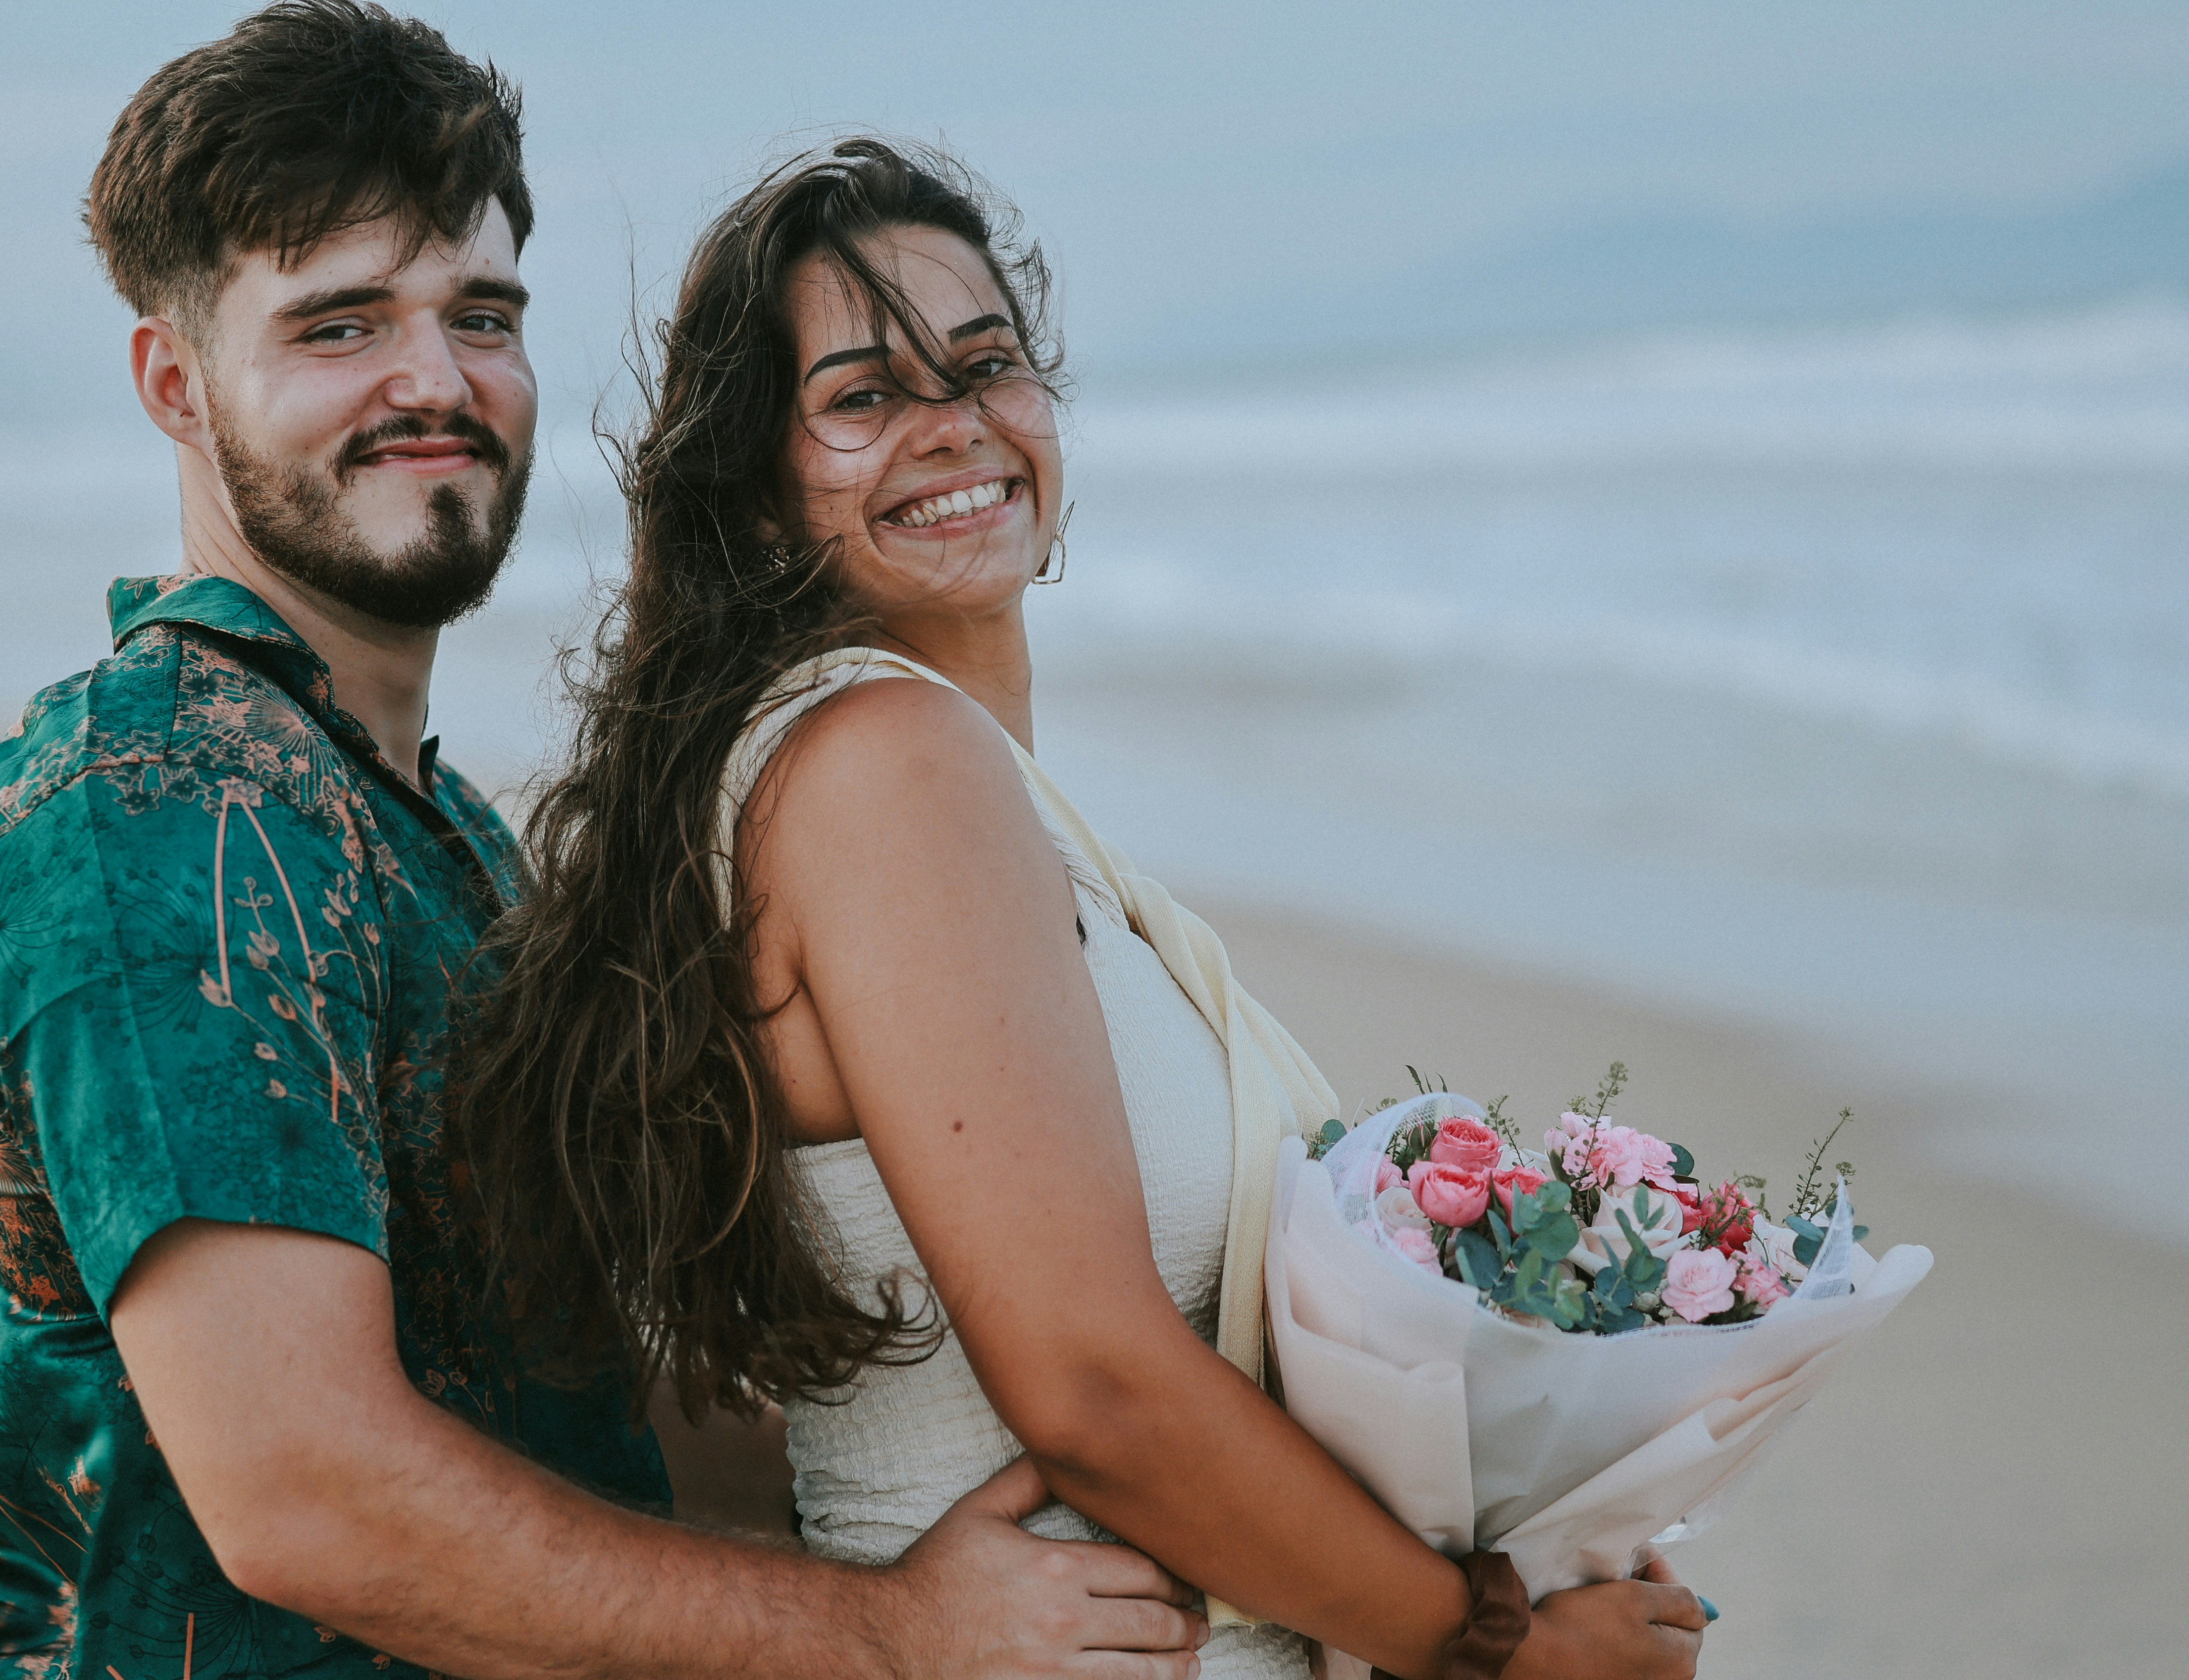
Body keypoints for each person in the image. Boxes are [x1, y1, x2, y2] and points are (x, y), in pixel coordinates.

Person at [0, 9, 1210, 1679]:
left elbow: (567, 1409)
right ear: (176, 379)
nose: (434, 380)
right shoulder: (156, 804)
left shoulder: (434, 835)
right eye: (338, 323)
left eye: (481, 314)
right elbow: (308, 1496)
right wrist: (889, 1635)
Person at [451, 139, 1714, 1680]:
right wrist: (1482, 1650)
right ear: (763, 498)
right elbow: (1097, 1395)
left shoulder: (945, 785)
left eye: (987, 365)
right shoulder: (884, 767)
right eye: (861, 398)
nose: (954, 428)